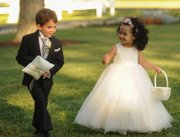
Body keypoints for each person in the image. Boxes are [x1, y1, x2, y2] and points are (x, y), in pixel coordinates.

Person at [74, 17, 172, 135]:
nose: (121, 36)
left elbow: (143, 62)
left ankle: (138, 122)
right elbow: (109, 56)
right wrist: (106, 59)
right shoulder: (116, 47)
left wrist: (154, 67)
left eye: (125, 34)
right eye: (120, 33)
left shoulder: (137, 50)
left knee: (135, 99)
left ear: (134, 36)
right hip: (117, 77)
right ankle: (117, 123)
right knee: (116, 99)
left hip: (136, 79)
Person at [16, 8, 64, 137]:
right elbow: (20, 57)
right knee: (41, 102)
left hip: (47, 80)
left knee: (41, 103)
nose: (52, 30)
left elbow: (60, 61)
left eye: (54, 27)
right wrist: (36, 63)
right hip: (32, 78)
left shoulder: (56, 42)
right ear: (39, 26)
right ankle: (45, 130)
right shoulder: (28, 39)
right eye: (49, 27)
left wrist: (49, 72)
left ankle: (38, 127)